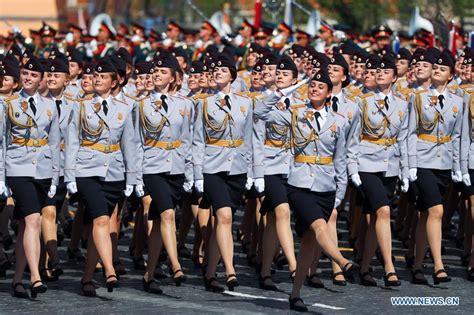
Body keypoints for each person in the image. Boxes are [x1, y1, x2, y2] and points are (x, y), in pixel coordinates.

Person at [255, 69, 357, 312]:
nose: (314, 89)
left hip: (326, 185)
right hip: (299, 184)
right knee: (320, 227)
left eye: (320, 87)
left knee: (309, 242)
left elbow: (340, 159)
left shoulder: (339, 121)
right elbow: (259, 113)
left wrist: (340, 193)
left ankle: (295, 293)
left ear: (329, 93)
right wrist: (278, 93)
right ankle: (343, 262)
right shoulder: (295, 113)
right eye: (311, 85)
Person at [64, 59, 136, 296]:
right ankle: (109, 270)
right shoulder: (81, 106)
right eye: (95, 76)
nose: (97, 80)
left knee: (99, 224)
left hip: (114, 171)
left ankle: (86, 278)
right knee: (101, 220)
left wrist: (132, 177)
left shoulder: (125, 108)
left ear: (114, 82)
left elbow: (129, 145)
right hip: (87, 169)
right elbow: (72, 141)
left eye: (103, 77)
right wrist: (70, 174)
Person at [193, 54, 253, 292]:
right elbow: (197, 140)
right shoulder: (204, 103)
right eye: (214, 71)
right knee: (225, 216)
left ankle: (210, 273)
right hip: (212, 166)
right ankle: (229, 269)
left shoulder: (245, 103)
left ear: (232, 76)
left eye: (223, 70)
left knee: (222, 222)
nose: (217, 73)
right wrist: (197, 174)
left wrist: (251, 171)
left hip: (236, 167)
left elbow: (249, 139)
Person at [135, 52, 193, 294]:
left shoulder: (186, 104)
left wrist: (191, 173)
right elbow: (135, 141)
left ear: (173, 78)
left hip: (176, 167)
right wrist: (136, 176)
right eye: (155, 71)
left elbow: (190, 140)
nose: (157, 74)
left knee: (160, 220)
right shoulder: (140, 105)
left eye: (163, 72)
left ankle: (149, 274)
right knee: (168, 215)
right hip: (152, 165)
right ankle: (176, 264)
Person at [3, 56, 60, 298]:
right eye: (25, 73)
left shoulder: (49, 106)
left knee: (28, 224)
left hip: (43, 170)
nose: (28, 78)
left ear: (42, 80)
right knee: (34, 220)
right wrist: (1, 177)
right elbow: (2, 142)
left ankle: (17, 279)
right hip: (18, 168)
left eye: (33, 75)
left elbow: (55, 143)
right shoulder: (8, 104)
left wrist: (56, 178)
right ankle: (35, 276)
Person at [351, 55, 408, 286]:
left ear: (395, 77)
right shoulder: (362, 102)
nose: (381, 74)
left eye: (386, 72)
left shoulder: (403, 104)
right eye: (378, 72)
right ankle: (389, 267)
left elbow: (404, 138)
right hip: (366, 163)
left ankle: (364, 267)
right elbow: (353, 137)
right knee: (384, 212)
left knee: (376, 215)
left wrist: (406, 169)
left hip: (390, 165)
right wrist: (352, 167)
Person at [407, 50, 462, 285]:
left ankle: (418, 264)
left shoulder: (459, 101)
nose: (438, 71)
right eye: (435, 68)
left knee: (425, 214)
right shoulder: (417, 98)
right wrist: (409, 164)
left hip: (444, 162)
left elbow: (459, 137)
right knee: (437, 211)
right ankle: (438, 265)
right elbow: (409, 133)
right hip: (422, 160)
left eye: (443, 69)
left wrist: (460, 166)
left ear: (450, 76)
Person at [253, 55, 298, 290]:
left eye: (285, 74)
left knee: (272, 220)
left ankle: (265, 270)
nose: (280, 76)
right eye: (277, 73)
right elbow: (259, 115)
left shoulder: (301, 103)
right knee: (282, 211)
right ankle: (293, 265)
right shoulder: (266, 101)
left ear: (295, 79)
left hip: (293, 166)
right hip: (270, 165)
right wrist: (257, 173)